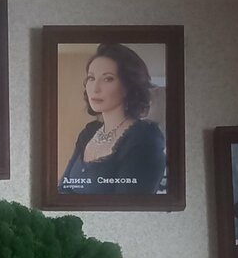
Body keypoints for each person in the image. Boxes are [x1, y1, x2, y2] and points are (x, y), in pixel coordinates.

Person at [59, 43, 166, 195]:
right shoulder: (89, 132)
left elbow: (127, 205)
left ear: (128, 86)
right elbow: (63, 188)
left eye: (108, 79)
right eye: (91, 78)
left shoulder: (145, 138)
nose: (95, 88)